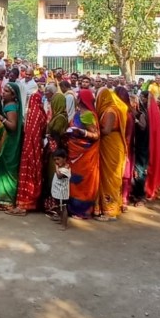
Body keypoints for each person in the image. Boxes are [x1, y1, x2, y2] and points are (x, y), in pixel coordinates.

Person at [10, 90, 48, 215]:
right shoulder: (42, 114)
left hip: (29, 149)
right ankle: (32, 203)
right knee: (34, 174)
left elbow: (30, 133)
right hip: (38, 150)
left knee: (26, 175)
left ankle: (23, 205)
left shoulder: (33, 114)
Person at [0, 83, 23, 210]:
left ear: (13, 95)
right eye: (3, 90)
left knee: (8, 170)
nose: (3, 92)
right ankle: (3, 199)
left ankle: (7, 200)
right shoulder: (8, 105)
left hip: (10, 143)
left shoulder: (11, 107)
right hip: (6, 141)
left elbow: (12, 126)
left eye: (7, 91)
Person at [95, 89, 128, 221]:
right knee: (109, 177)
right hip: (111, 145)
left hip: (111, 145)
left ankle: (110, 211)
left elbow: (106, 130)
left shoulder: (110, 111)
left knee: (110, 178)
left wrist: (92, 129)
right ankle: (113, 206)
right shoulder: (111, 109)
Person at [67, 89, 101, 218]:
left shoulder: (87, 115)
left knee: (83, 181)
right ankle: (74, 208)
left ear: (81, 99)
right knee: (74, 180)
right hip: (74, 153)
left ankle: (84, 210)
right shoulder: (78, 112)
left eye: (78, 96)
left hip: (85, 154)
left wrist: (82, 133)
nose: (76, 98)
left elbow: (96, 135)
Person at [43, 89, 69, 218]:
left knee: (53, 178)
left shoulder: (60, 118)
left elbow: (57, 136)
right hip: (53, 150)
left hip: (55, 152)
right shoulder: (58, 116)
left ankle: (54, 207)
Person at [115, 87, 136, 209]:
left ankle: (120, 200)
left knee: (120, 174)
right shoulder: (130, 112)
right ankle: (124, 200)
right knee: (125, 175)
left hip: (121, 146)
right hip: (127, 146)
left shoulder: (122, 113)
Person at [50, 148, 71, 230]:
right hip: (57, 192)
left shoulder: (66, 168)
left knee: (63, 208)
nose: (56, 161)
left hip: (62, 193)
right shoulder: (61, 167)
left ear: (64, 158)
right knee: (59, 207)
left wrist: (56, 167)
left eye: (58, 159)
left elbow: (59, 176)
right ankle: (61, 219)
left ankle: (64, 225)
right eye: (55, 160)